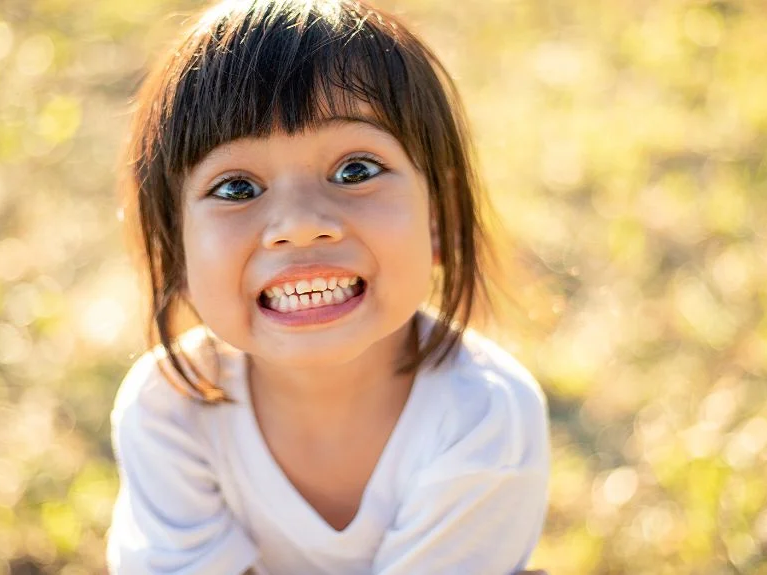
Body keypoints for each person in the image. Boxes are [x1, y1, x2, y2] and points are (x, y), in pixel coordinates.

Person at [106, 0, 551, 573]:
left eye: (356, 171)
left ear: (436, 217)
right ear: (180, 252)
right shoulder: (169, 414)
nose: (298, 224)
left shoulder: (484, 417)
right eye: (237, 187)